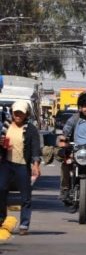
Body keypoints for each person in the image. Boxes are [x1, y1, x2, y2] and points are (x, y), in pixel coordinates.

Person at [0, 101, 42, 235]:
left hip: (22, 165)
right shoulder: (5, 126)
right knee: (1, 190)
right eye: (16, 112)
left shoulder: (31, 129)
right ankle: (1, 217)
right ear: (12, 113)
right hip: (6, 164)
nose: (18, 115)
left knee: (25, 197)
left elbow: (35, 148)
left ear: (26, 114)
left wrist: (36, 165)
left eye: (21, 113)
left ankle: (24, 224)